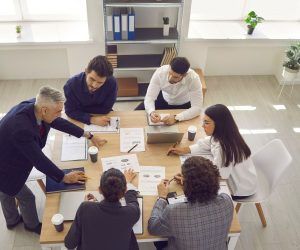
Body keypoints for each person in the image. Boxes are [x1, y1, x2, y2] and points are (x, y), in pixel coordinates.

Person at [0, 86, 107, 234]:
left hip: (9, 149)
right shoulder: (21, 128)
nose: (60, 114)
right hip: (5, 166)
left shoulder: (36, 107)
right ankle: (30, 225)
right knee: (25, 196)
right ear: (45, 110)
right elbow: (39, 160)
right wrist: (64, 177)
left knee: (6, 193)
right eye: (58, 111)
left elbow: (59, 122)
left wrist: (88, 135)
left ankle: (11, 221)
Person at [168, 104, 257, 197]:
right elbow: (207, 143)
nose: (202, 126)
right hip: (245, 175)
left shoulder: (224, 149)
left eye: (206, 122)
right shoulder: (226, 134)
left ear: (219, 125)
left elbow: (218, 175)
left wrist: (188, 180)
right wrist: (184, 150)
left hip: (241, 188)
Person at [148, 156, 234, 250]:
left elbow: (153, 227)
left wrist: (161, 198)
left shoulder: (174, 212)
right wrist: (190, 184)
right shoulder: (227, 201)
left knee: (159, 240)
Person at [65, 168, 140, 250]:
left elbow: (70, 244)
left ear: (99, 190)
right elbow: (133, 202)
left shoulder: (85, 208)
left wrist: (88, 207)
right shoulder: (132, 213)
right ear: (125, 190)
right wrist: (128, 183)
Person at [135, 57, 203, 125]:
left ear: (184, 75)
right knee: (136, 113)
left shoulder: (194, 78)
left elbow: (197, 108)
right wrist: (151, 112)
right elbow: (149, 97)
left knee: (185, 127)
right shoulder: (160, 72)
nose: (170, 78)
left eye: (175, 77)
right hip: (163, 99)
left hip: (183, 104)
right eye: (169, 73)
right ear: (169, 66)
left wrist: (176, 118)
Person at [64, 55, 118, 126]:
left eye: (100, 82)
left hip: (101, 116)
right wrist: (91, 119)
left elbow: (106, 109)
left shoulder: (112, 83)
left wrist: (80, 108)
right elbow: (69, 110)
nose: (94, 85)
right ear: (86, 71)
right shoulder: (71, 85)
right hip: (81, 120)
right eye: (92, 79)